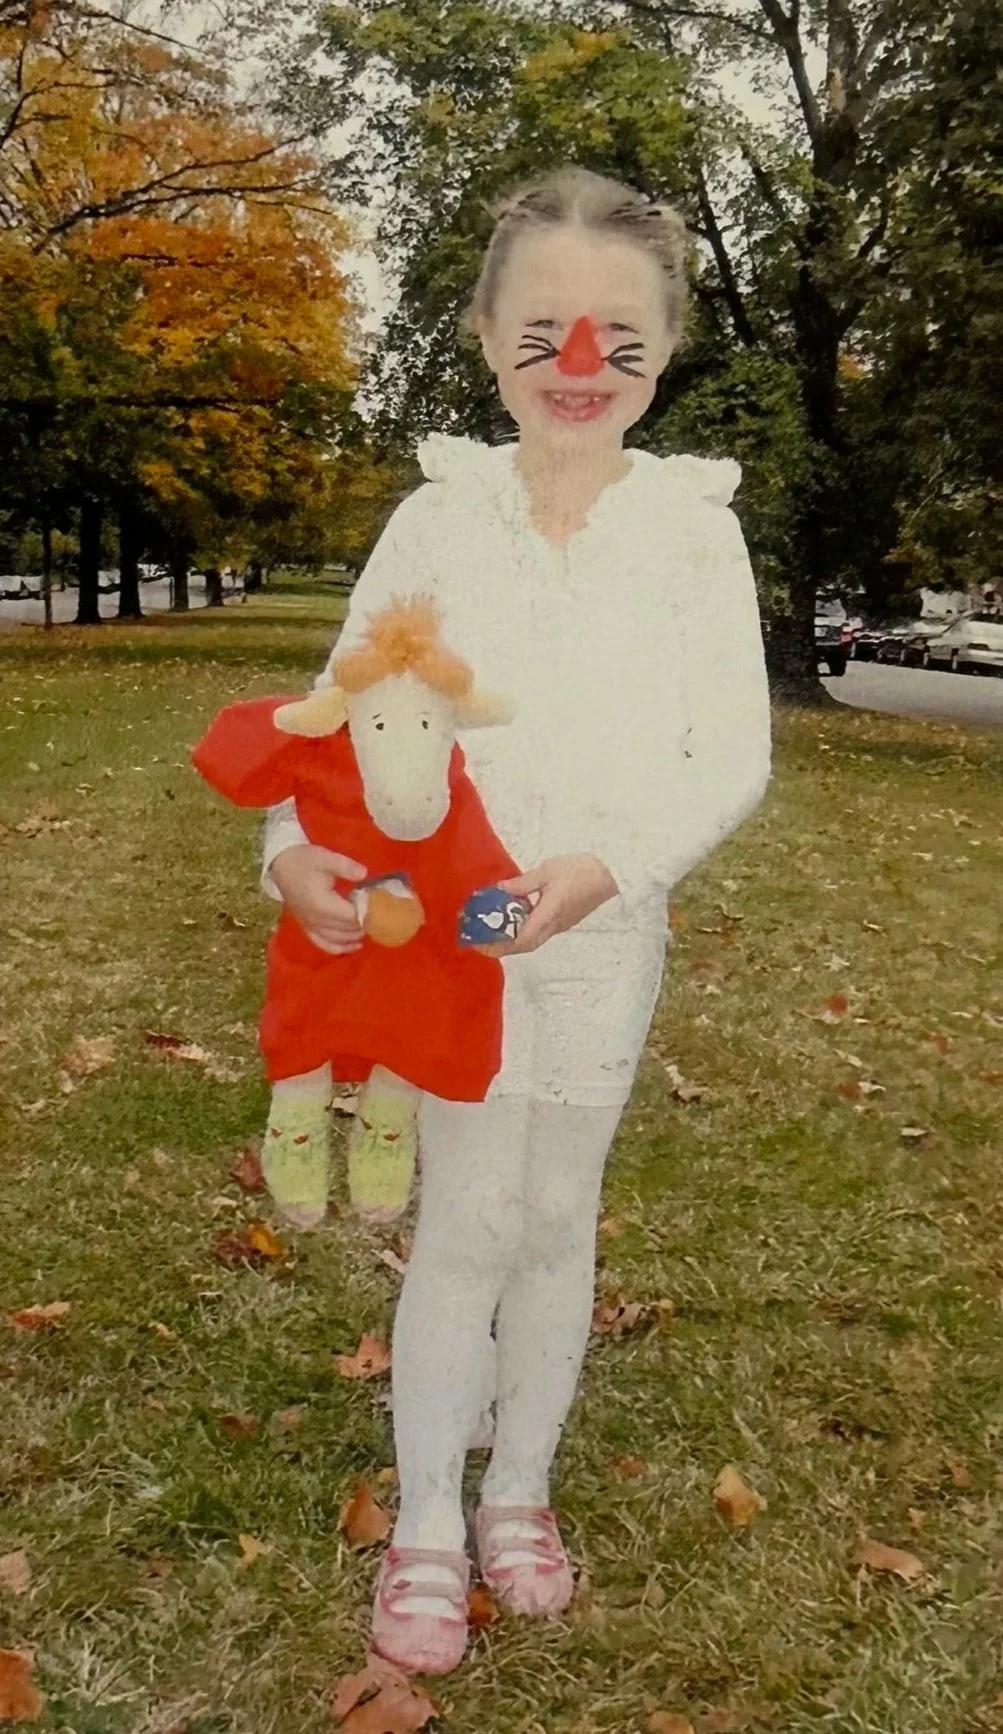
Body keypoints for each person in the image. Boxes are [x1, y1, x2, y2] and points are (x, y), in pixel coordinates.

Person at [259, 164, 772, 1675]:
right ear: (487, 339)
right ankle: (426, 1515)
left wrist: (609, 866)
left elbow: (730, 748)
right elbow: (336, 713)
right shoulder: (439, 519)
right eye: (541, 327)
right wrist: (291, 845)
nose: (576, 366)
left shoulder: (691, 532)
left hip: (601, 937)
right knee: (472, 1217)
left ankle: (519, 1489)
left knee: (557, 1217)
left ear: (663, 351)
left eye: (616, 334)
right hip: (448, 944)